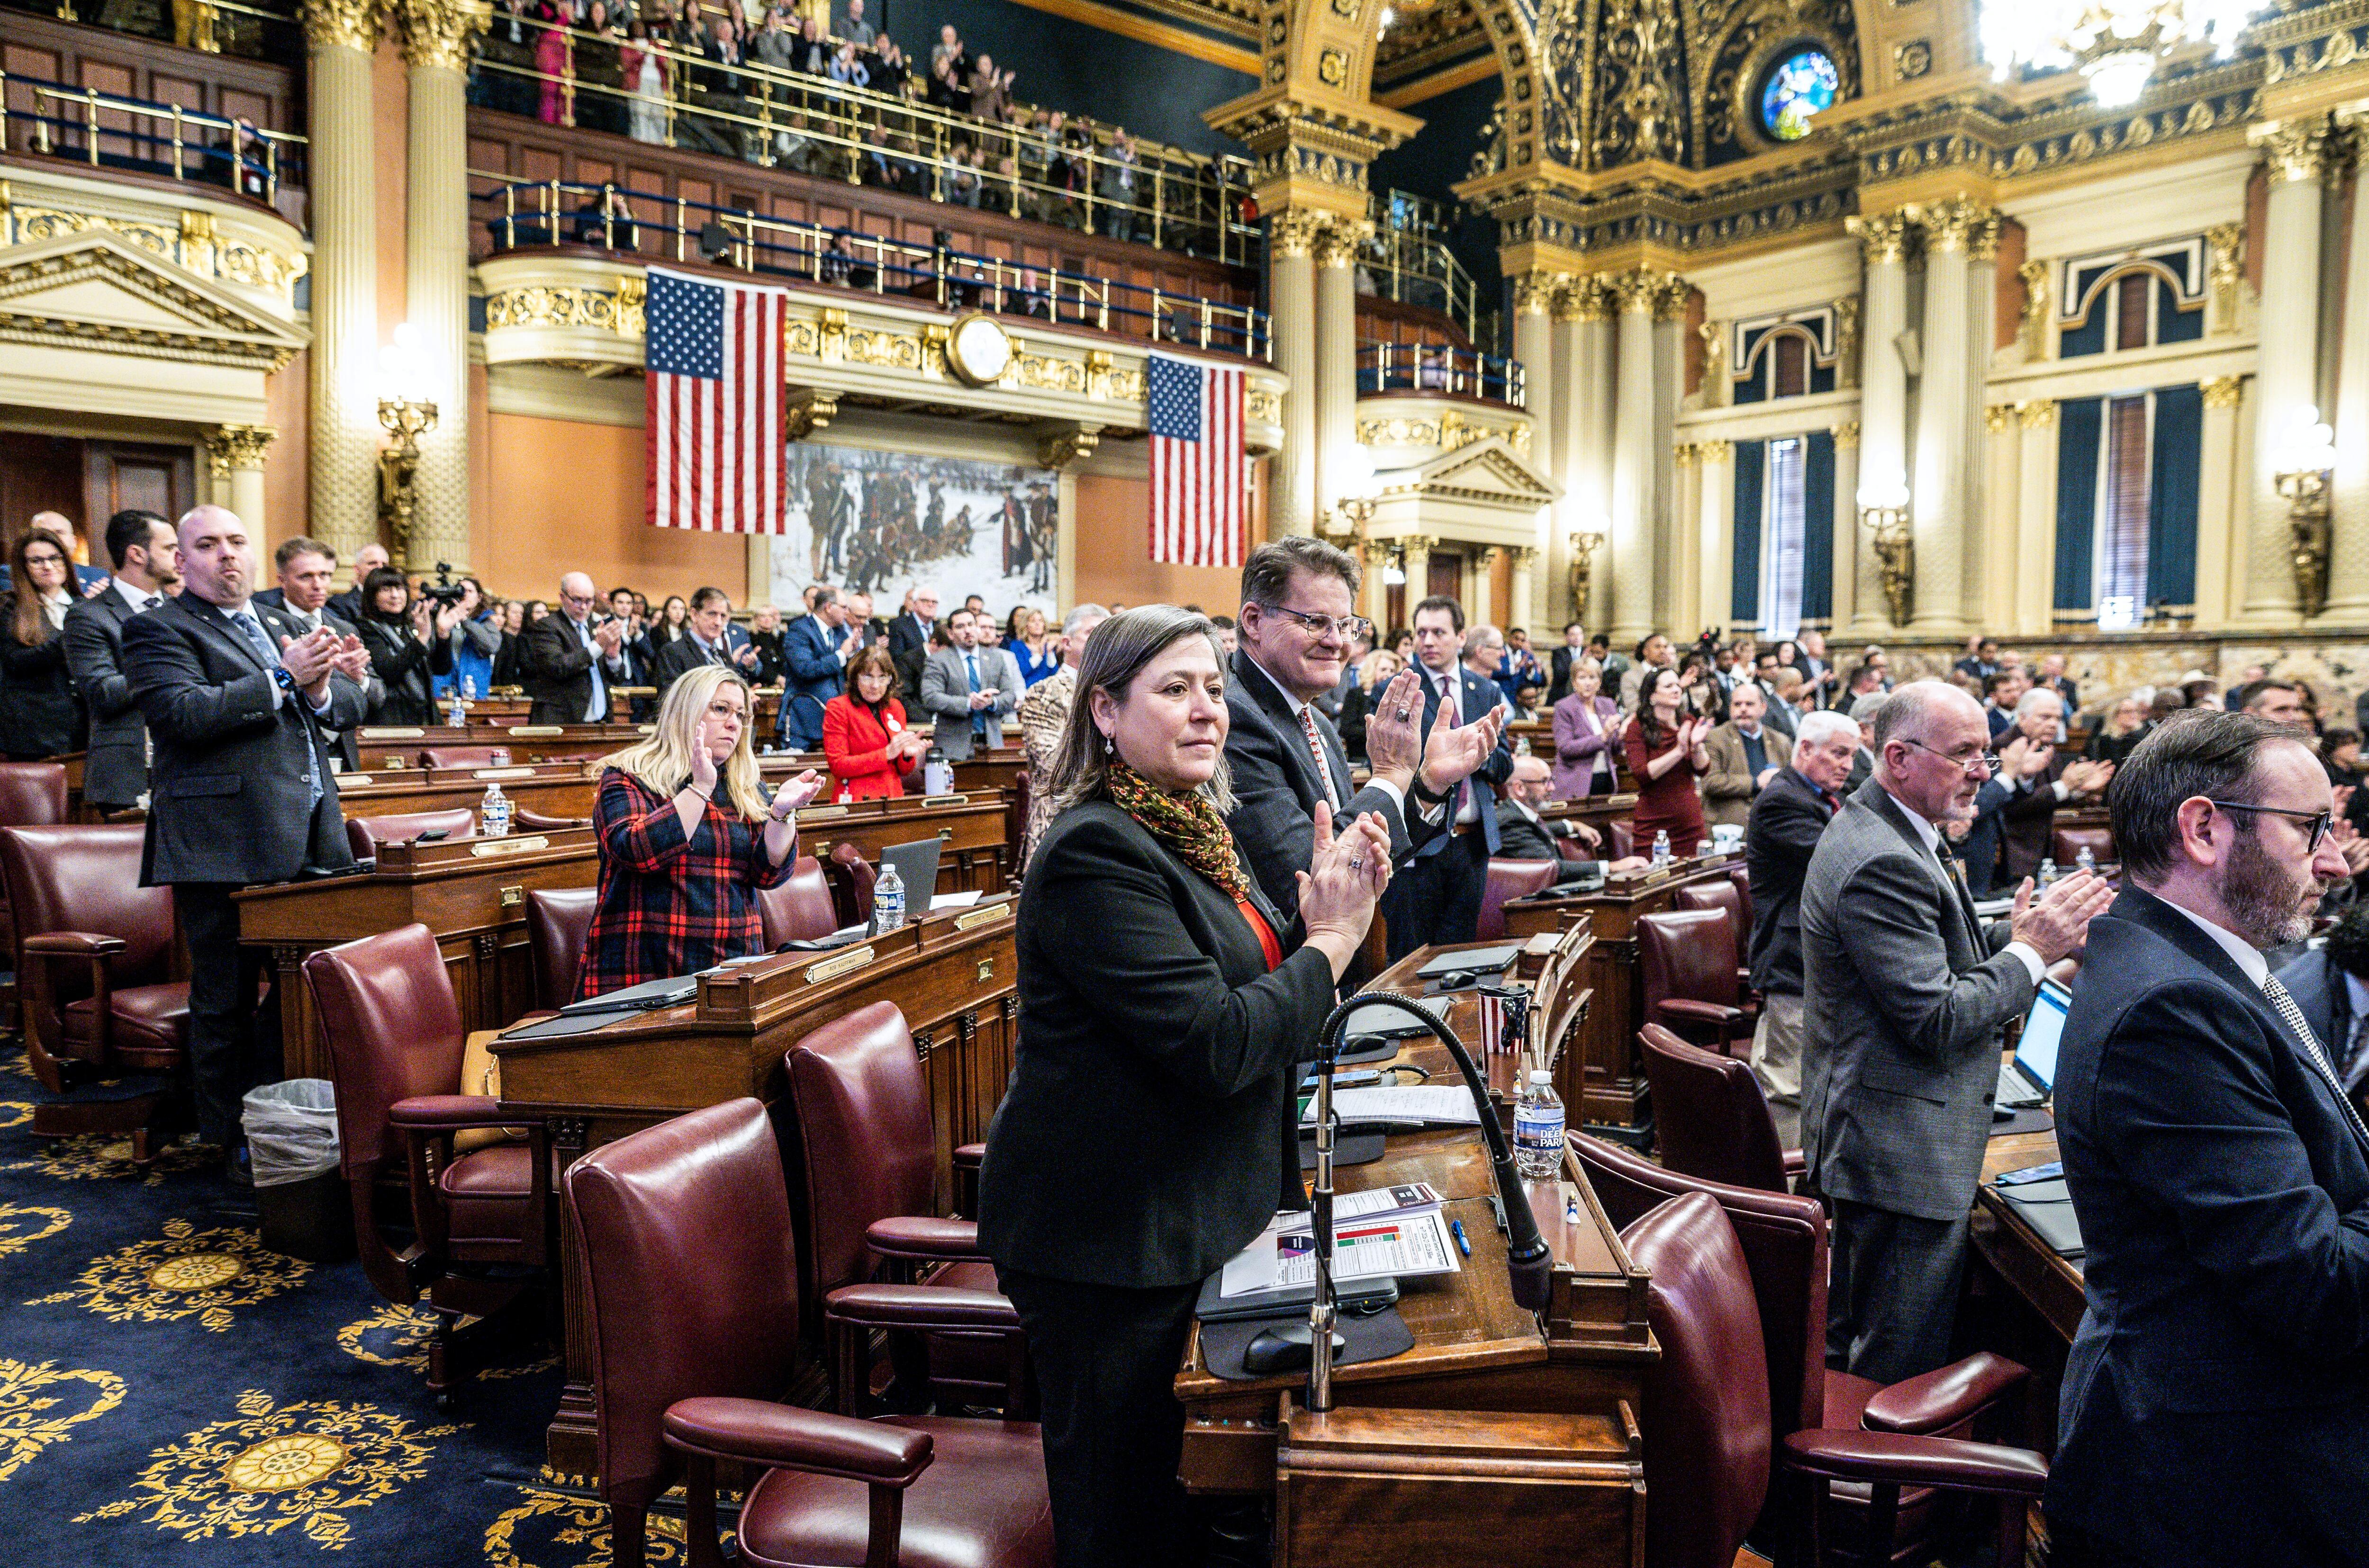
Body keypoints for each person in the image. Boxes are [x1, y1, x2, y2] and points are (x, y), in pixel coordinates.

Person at [976, 606, 1393, 1568]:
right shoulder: (1095, 850)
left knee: (1189, 1502)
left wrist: (1311, 918)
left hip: (1194, 1208)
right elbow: (1214, 1041)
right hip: (1108, 1239)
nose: (1206, 710)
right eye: (1174, 689)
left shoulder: (1196, 826)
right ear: (1107, 712)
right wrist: (1329, 942)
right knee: (1120, 1517)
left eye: (1212, 687)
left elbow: (1244, 984)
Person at [2048, 711, 2368, 1566]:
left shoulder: (2184, 964)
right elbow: (2319, 1288)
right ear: (2203, 828)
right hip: (2217, 1482)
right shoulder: (2174, 1005)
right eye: (2309, 830)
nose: (2333, 862)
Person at [1799, 681, 2112, 1383]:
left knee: (1854, 1342)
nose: (1982, 770)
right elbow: (1938, 1017)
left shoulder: (1898, 829)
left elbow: (1941, 943)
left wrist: (2030, 936)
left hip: (1885, 1131)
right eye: (1966, 754)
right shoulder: (1881, 856)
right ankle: (1878, 1483)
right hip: (1899, 1149)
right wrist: (2033, 951)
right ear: (1899, 757)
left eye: (1987, 756)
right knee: (1894, 1364)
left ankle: (1839, 1478)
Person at [123, 505, 371, 1184]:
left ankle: (274, 1113)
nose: (227, 555)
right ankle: (225, 1136)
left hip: (305, 828)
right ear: (182, 560)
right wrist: (287, 676)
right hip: (220, 841)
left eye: (237, 541)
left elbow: (342, 712)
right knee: (225, 995)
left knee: (303, 984)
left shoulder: (278, 623)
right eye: (208, 544)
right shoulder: (156, 629)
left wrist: (322, 687)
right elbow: (183, 714)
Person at [1224, 541, 1494, 940]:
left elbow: (1372, 854)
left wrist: (1428, 785)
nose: (1337, 642)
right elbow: (1314, 872)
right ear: (1253, 620)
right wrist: (1391, 776)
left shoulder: (1315, 719)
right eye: (1316, 621)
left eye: (1347, 624)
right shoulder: (1232, 718)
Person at [576, 665, 824, 1000]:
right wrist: (700, 788)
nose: (734, 723)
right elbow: (637, 852)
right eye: (721, 709)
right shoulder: (628, 776)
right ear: (687, 712)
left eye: (741, 714)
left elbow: (768, 874)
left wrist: (781, 814)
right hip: (645, 971)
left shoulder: (744, 786)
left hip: (732, 968)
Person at [1743, 709, 1857, 1145]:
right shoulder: (1783, 800)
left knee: (1794, 1078)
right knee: (1787, 1087)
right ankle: (1782, 1200)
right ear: (1806, 749)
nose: (1847, 765)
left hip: (1810, 962)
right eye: (1839, 753)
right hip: (1793, 962)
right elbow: (1840, 862)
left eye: (1852, 755)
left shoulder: (1817, 798)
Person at [1381, 595, 1515, 958]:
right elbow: (1389, 764)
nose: (1427, 641)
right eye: (1421, 632)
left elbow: (1504, 765)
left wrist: (1475, 758)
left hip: (1472, 846)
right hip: (1417, 845)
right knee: (1410, 961)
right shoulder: (1397, 690)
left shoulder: (1485, 690)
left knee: (1459, 958)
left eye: (1438, 632)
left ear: (1460, 637)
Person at [63, 509, 179, 809]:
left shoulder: (183, 611)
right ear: (137, 554)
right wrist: (166, 672)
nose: (180, 556)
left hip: (188, 769)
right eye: (169, 548)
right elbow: (102, 691)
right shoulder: (89, 615)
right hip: (127, 771)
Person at [1016, 602, 1108, 873]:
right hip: (1059, 827)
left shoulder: (1120, 692)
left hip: (1112, 825)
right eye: (1093, 633)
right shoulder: (1044, 692)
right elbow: (1054, 764)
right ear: (1066, 643)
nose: (1101, 642)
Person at [0, 529, 87, 760]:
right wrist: (68, 639)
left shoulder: (85, 607)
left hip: (86, 730)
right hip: (35, 735)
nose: (48, 566)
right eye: (37, 561)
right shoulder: (10, 607)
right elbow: (15, 662)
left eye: (54, 558)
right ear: (24, 567)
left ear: (66, 561)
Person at [1495, 755, 1642, 884]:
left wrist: (1573, 825)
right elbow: (1554, 868)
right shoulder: (1510, 823)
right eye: (1544, 782)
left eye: (1552, 780)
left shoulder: (1516, 815)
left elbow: (1539, 828)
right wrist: (1613, 867)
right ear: (1520, 788)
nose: (1552, 788)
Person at [521, 574, 635, 724]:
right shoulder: (547, 626)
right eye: (577, 600)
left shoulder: (596, 626)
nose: (583, 607)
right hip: (561, 720)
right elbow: (558, 667)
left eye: (589, 601)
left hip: (600, 720)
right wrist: (598, 646)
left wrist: (612, 658)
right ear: (562, 597)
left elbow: (617, 678)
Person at [352, 567, 459, 725]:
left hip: (426, 716)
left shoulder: (411, 624)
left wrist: (443, 635)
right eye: (386, 589)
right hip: (392, 720)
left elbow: (441, 668)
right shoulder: (366, 627)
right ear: (372, 596)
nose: (395, 595)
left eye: (400, 588)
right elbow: (389, 671)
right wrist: (421, 639)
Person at [822, 645, 926, 802]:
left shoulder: (895, 707)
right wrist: (886, 754)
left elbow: (903, 771)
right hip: (857, 800)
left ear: (890, 679)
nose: (875, 685)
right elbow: (838, 765)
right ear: (856, 678)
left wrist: (907, 755)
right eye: (868, 677)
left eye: (882, 677)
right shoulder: (839, 707)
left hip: (893, 798)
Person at [1626, 666, 1710, 858]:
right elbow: (1643, 774)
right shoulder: (1637, 728)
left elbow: (1703, 769)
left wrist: (1697, 747)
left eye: (1677, 685)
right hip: (1655, 825)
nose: (1677, 690)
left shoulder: (1687, 720)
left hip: (1690, 822)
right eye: (1669, 686)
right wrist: (1679, 751)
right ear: (1652, 696)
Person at [920, 606, 1022, 760]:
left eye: (971, 625)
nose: (967, 631)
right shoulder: (938, 661)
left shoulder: (996, 659)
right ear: (950, 634)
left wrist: (991, 702)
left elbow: (1010, 695)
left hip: (992, 746)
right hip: (953, 749)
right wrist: (969, 704)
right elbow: (931, 697)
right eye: (960, 627)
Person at [1701, 681, 1792, 831]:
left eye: (1749, 704)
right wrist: (1756, 783)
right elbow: (1710, 782)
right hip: (1728, 828)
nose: (1743, 709)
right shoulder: (1715, 738)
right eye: (1737, 704)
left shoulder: (1781, 741)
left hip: (1772, 826)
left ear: (1763, 708)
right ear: (1730, 708)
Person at [777, 585, 857, 750]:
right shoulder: (800, 629)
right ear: (828, 607)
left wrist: (852, 655)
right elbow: (805, 669)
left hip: (834, 720)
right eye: (843, 607)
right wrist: (841, 655)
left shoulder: (840, 632)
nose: (847, 611)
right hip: (802, 720)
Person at [653, 586, 761, 699]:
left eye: (723, 616)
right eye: (712, 614)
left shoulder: (724, 657)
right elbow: (672, 700)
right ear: (694, 615)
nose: (718, 623)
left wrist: (744, 695)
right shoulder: (673, 652)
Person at [1551, 656, 1624, 798]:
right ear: (1574, 682)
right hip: (1575, 781)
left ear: (1599, 682)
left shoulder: (1608, 704)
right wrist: (1602, 737)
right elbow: (1565, 748)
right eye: (1582, 678)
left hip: (1605, 778)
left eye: (1592, 677)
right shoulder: (1564, 707)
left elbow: (1615, 747)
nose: (1588, 683)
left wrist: (1623, 735)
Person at [0, 511, 109, 595]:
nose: (53, 538)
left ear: (74, 541)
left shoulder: (97, 576)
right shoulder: (8, 574)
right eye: (44, 533)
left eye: (59, 532)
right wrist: (85, 607)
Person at [1334, 647, 1400, 766]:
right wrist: (1379, 730)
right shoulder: (1356, 694)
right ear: (1372, 670)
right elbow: (1347, 729)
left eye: (1392, 671)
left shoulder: (1399, 698)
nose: (1388, 675)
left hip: (1394, 760)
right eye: (1383, 670)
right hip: (1361, 759)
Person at [327, 541, 389, 624]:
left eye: (384, 564)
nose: (380, 567)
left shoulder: (397, 602)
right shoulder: (341, 604)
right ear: (357, 569)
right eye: (372, 563)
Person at [2087, 693, 2153, 766]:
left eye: (2135, 711)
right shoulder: (2107, 740)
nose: (2133, 715)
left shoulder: (2143, 735)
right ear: (2115, 715)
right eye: (2127, 712)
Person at [1547, 622, 1586, 706]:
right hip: (1562, 694)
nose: (1577, 637)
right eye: (1573, 634)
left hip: (1583, 696)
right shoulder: (1558, 653)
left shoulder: (1588, 652)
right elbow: (1560, 674)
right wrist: (1581, 662)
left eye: (1579, 634)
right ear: (1566, 637)